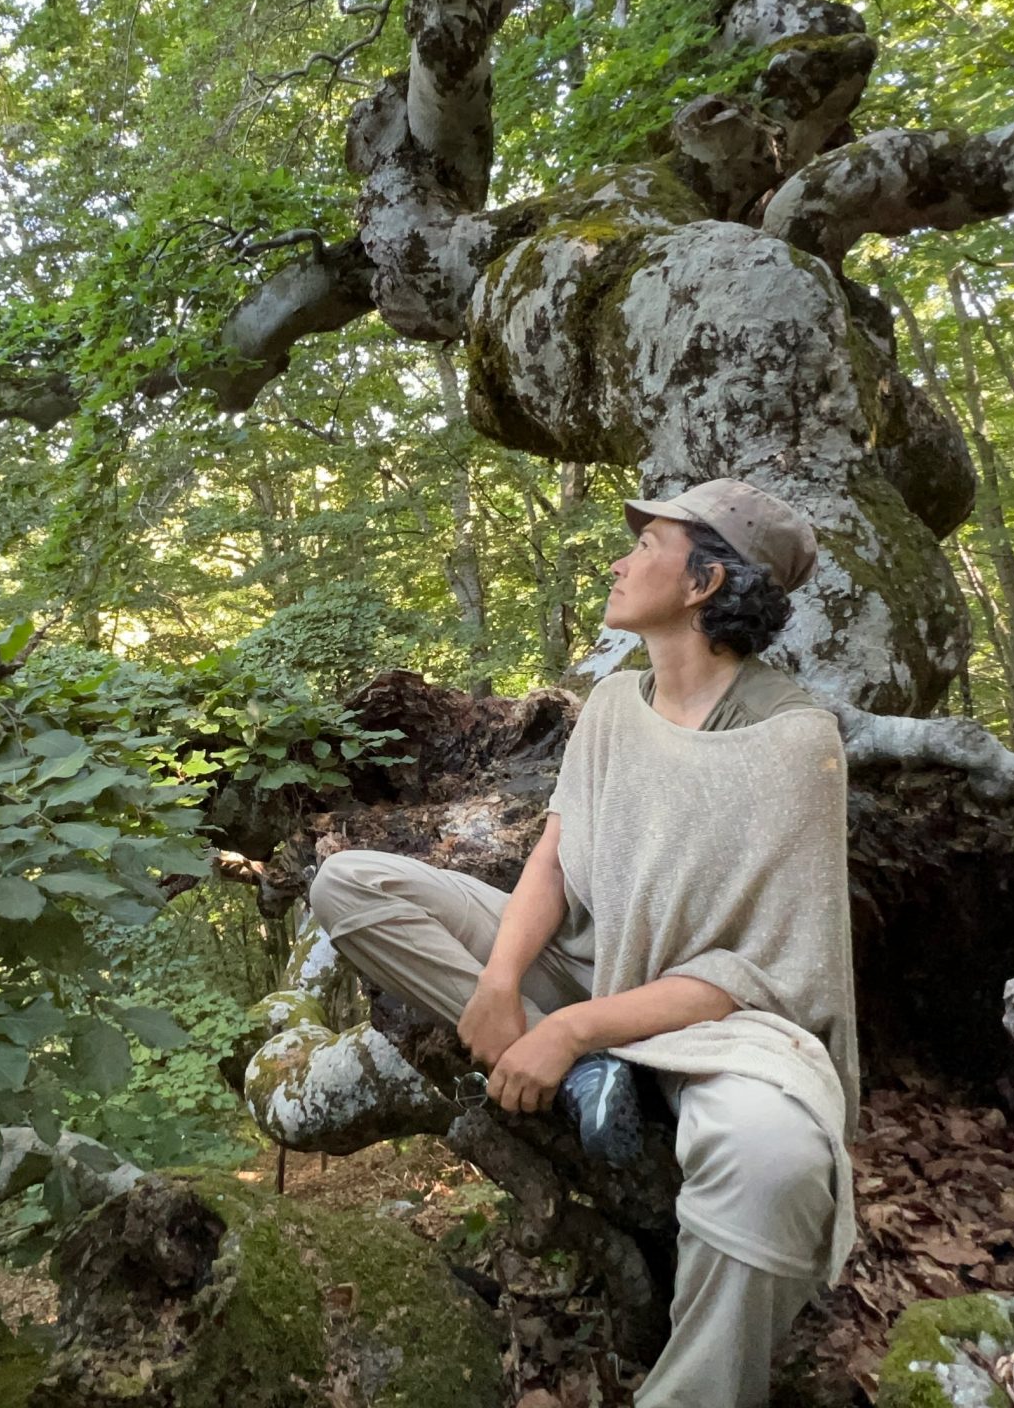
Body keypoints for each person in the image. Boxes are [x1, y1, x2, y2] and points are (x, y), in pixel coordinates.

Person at [310, 478, 858, 1408]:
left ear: (703, 582)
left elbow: (758, 974)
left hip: (720, 1024)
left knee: (776, 1165)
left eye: (648, 544)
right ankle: (590, 1081)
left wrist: (568, 1031)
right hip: (589, 971)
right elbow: (555, 866)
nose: (620, 558)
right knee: (349, 882)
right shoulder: (611, 705)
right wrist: (501, 980)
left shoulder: (795, 740)